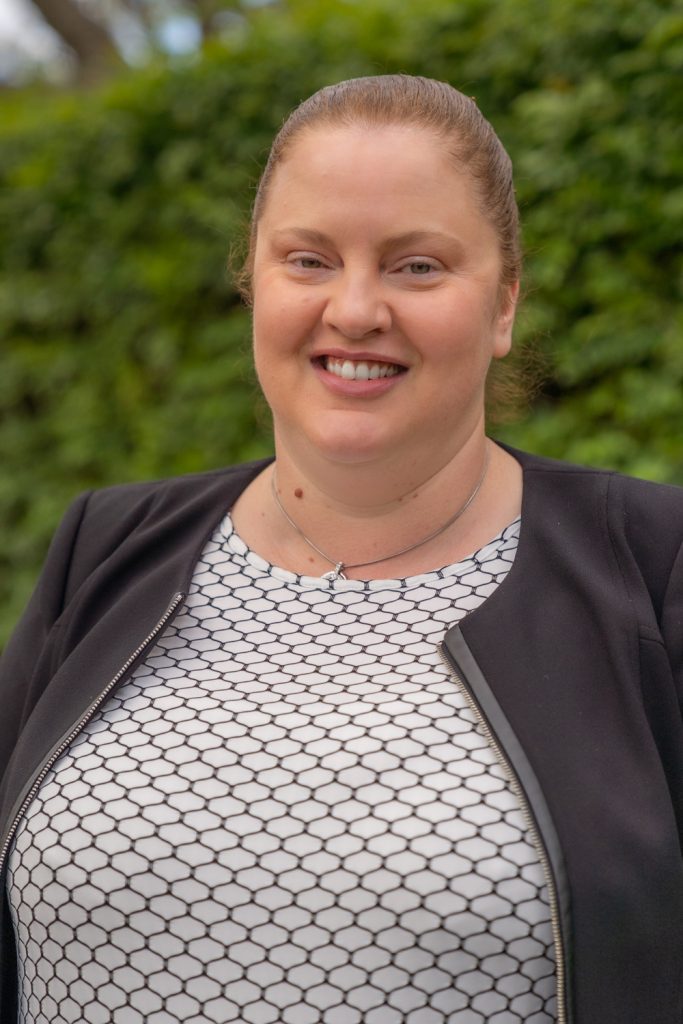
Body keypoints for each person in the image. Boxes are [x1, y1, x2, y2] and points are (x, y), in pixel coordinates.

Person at [0, 74, 681, 1024]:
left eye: (416, 267)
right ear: (254, 282)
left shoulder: (652, 569)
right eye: (309, 260)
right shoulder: (106, 548)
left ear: (502, 305)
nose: (355, 310)